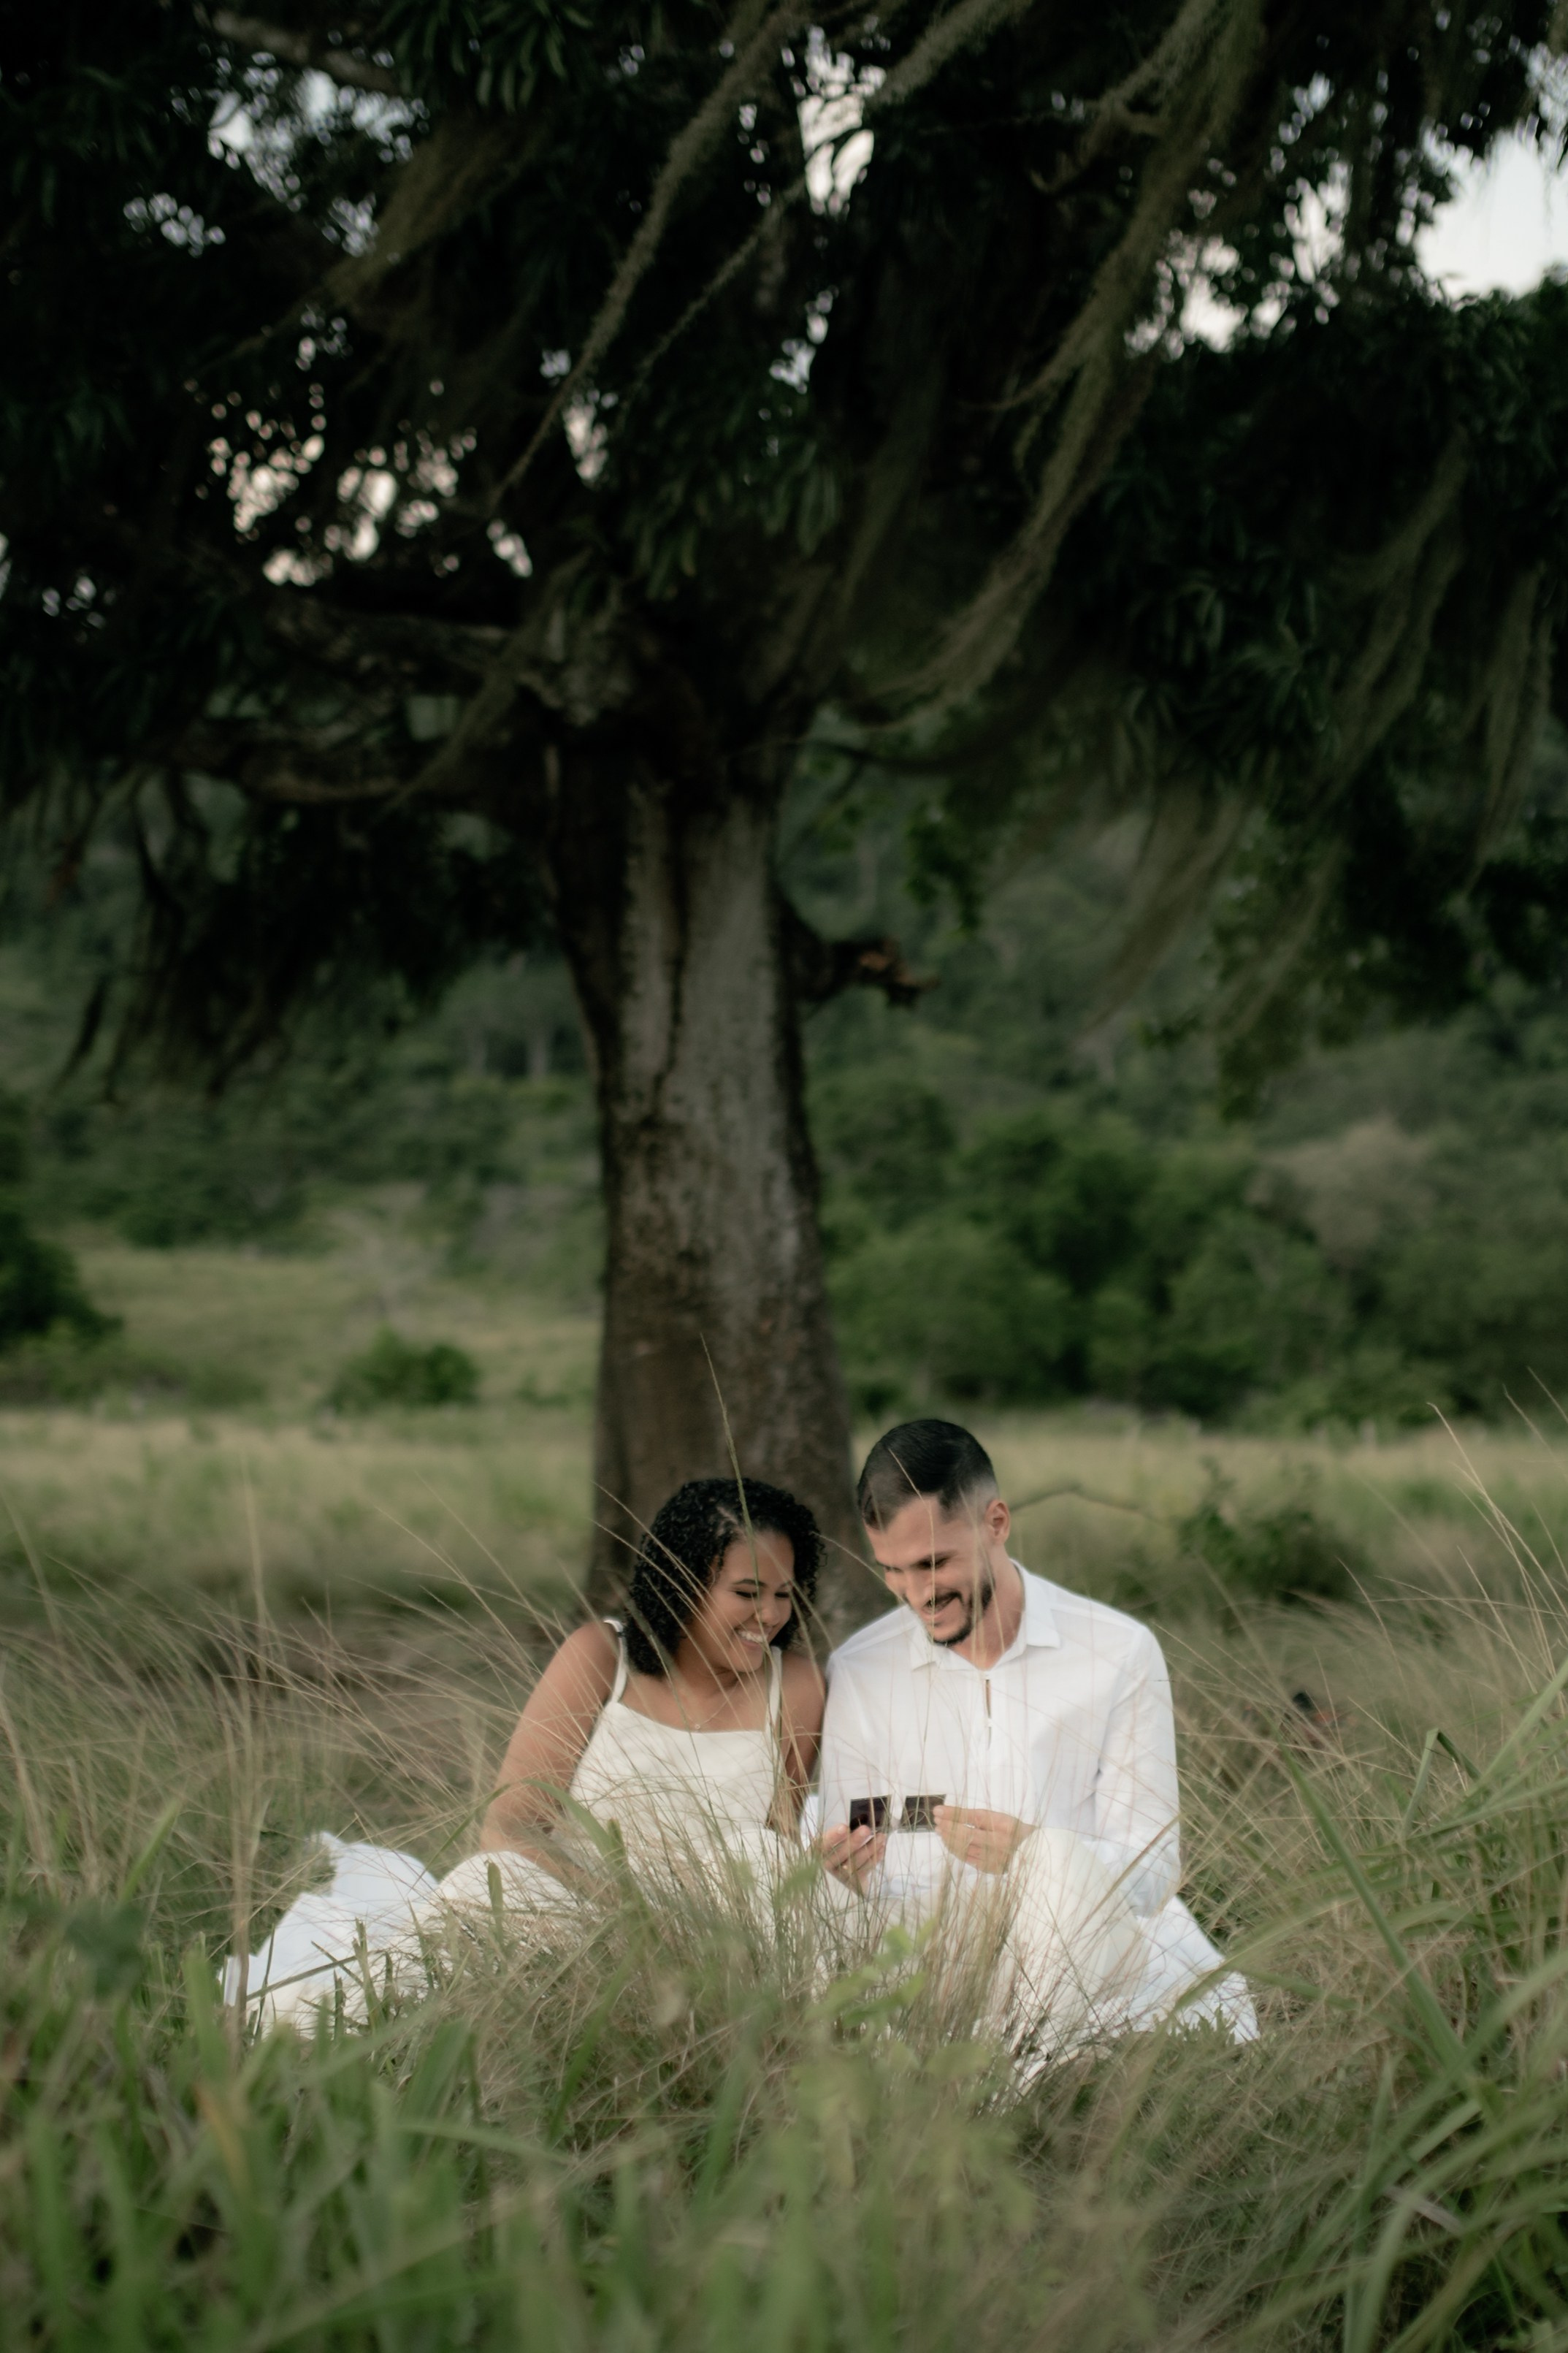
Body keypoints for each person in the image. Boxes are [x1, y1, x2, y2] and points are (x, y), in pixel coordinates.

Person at [243, 1477, 827, 2031]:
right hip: (568, 1895)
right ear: (685, 1584)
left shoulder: (795, 1686)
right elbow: (509, 1824)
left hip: (706, 1926)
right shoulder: (602, 1654)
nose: (770, 1615)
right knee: (483, 1889)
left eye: (783, 1594)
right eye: (747, 1593)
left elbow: (776, 1840)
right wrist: (621, 1911)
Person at [815, 1420, 1255, 2048]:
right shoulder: (858, 1668)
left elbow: (1154, 1867)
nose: (916, 1595)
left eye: (935, 1563)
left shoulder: (1117, 1651)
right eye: (892, 1570)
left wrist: (1039, 1858)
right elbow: (854, 1851)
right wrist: (843, 1869)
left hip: (1085, 1939)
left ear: (996, 1522)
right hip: (927, 1953)